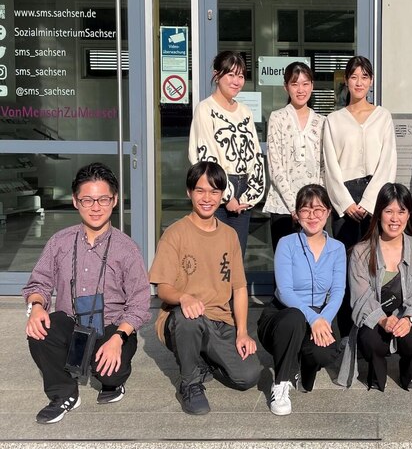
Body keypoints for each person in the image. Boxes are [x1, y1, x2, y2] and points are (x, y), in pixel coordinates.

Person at [23, 163, 151, 424]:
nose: (96, 207)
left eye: (103, 199)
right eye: (87, 199)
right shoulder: (59, 241)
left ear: (114, 200)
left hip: (111, 328)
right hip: (73, 324)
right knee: (40, 328)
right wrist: (36, 306)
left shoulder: (127, 249)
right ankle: (64, 394)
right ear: (75, 201)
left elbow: (139, 303)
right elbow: (39, 282)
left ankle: (112, 381)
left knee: (109, 376)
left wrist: (118, 338)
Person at [149, 161, 260, 416]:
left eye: (214, 191)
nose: (207, 198)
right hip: (183, 319)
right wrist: (184, 297)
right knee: (189, 320)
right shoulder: (175, 233)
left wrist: (242, 333)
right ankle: (190, 383)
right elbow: (162, 288)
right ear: (189, 192)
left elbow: (240, 288)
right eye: (200, 190)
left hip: (220, 321)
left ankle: (204, 359)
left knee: (248, 375)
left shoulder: (229, 235)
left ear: (222, 195)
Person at [322, 55, 397, 336]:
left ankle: (372, 330)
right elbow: (329, 166)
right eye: (354, 77)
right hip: (344, 198)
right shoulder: (334, 120)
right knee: (343, 267)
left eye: (364, 77)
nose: (359, 82)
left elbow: (388, 162)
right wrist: (346, 203)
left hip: (374, 197)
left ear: (371, 81)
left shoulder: (382, 117)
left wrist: (368, 203)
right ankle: (344, 332)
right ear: (346, 81)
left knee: (374, 265)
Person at [337, 183, 412, 391]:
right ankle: (376, 370)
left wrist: (408, 319)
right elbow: (360, 295)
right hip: (377, 317)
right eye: (388, 211)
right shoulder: (361, 252)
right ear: (378, 213)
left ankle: (408, 369)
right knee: (371, 338)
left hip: (405, 316)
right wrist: (381, 318)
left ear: (409, 215)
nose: (395, 218)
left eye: (401, 211)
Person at [257, 184, 346, 416]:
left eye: (318, 209)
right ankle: (281, 383)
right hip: (281, 316)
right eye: (305, 210)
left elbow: (338, 291)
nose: (312, 216)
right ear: (296, 215)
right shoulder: (287, 244)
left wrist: (322, 319)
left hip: (318, 316)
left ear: (328, 212)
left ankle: (304, 364)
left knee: (324, 353)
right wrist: (313, 318)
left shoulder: (337, 248)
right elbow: (285, 291)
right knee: (295, 318)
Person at [189, 51, 266, 257]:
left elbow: (255, 154)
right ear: (217, 75)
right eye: (230, 75)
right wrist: (227, 195)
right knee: (215, 255)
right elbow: (206, 156)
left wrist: (251, 194)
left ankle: (234, 292)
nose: (236, 81)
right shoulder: (205, 109)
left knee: (236, 256)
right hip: (217, 188)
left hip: (244, 190)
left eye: (240, 76)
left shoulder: (245, 112)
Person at [263, 61, 325, 251]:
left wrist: (314, 206)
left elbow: (324, 166)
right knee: (285, 268)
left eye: (305, 84)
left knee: (311, 265)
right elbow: (275, 166)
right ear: (286, 86)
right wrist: (295, 207)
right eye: (295, 83)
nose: (300, 89)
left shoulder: (323, 122)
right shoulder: (277, 118)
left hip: (314, 211)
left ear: (312, 86)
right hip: (283, 207)